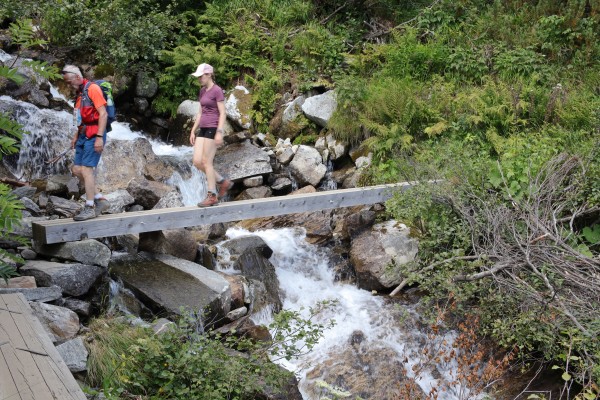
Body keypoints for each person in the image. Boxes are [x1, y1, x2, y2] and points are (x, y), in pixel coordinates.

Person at [62, 65, 110, 221]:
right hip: (83, 134)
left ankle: (89, 207)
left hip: (94, 134)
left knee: (86, 170)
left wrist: (99, 137)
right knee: (77, 169)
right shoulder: (79, 94)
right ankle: (100, 199)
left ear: (77, 77)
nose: (68, 85)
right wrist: (76, 135)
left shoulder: (93, 89)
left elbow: (103, 114)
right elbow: (80, 118)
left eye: (69, 81)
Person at [189, 63, 233, 207]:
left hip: (213, 128)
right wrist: (193, 130)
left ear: (208, 75)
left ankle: (212, 196)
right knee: (197, 161)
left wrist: (219, 132)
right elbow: (200, 112)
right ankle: (223, 182)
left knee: (207, 162)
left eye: (201, 76)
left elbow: (223, 113)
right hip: (203, 128)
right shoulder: (202, 91)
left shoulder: (217, 90)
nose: (199, 79)